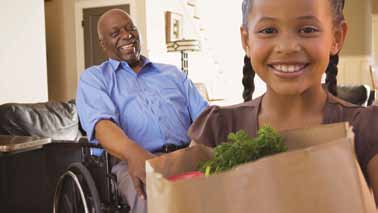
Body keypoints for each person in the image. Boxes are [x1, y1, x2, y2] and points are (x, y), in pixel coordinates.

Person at [188, 0, 378, 206]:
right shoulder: (216, 129)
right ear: (246, 40)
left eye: (307, 30)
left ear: (336, 37)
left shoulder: (366, 129)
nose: (287, 47)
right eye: (268, 30)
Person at [76, 9, 208, 213]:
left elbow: (204, 118)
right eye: (115, 33)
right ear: (103, 44)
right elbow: (102, 126)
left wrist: (197, 151)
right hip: (132, 159)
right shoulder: (95, 79)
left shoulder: (172, 74)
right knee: (149, 195)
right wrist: (135, 155)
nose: (127, 35)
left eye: (131, 29)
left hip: (187, 153)